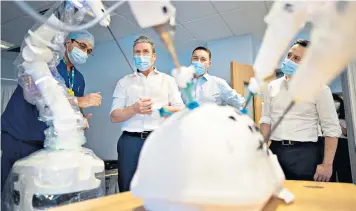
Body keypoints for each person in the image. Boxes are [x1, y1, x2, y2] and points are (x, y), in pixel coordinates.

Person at [1, 30, 102, 191]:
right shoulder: (46, 65)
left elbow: (73, 108)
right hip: (18, 135)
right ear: (68, 42)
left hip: (44, 141)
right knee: (10, 189)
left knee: (32, 191)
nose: (85, 53)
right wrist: (78, 100)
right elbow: (35, 95)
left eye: (89, 51)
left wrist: (80, 120)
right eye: (82, 46)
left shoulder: (79, 78)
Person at [110, 36, 184, 192]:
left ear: (154, 56)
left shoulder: (168, 81)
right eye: (137, 52)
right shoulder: (124, 82)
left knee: (161, 186)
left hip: (159, 139)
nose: (141, 56)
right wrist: (134, 109)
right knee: (127, 188)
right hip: (130, 142)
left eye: (145, 52)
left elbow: (180, 110)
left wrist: (159, 109)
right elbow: (114, 116)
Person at [260, 39, 341, 182]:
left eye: (297, 58)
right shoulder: (272, 86)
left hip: (305, 153)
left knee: (305, 199)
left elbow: (331, 129)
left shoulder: (320, 89)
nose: (290, 60)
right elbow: (266, 120)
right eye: (289, 55)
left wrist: (327, 164)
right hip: (275, 150)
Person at [332, 94, 352, 183]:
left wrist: (336, 123)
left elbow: (347, 133)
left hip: (342, 143)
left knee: (344, 171)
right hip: (329, 142)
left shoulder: (346, 118)